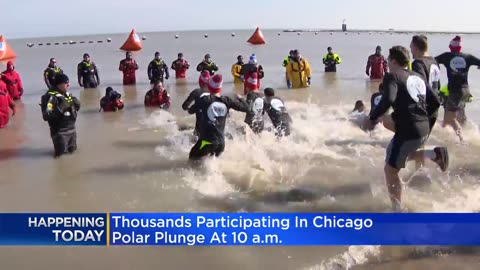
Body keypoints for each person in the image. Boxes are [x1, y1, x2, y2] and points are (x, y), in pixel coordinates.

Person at [363, 46, 448, 212]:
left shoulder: (392, 76)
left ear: (393, 61)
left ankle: (397, 211)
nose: (387, 63)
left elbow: (388, 99)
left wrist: (371, 118)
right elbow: (436, 101)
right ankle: (434, 154)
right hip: (422, 127)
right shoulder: (417, 76)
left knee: (390, 171)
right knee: (395, 151)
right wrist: (423, 120)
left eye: (388, 60)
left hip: (409, 130)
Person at [187, 74, 249, 160]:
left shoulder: (204, 100)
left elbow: (190, 110)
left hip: (206, 142)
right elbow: (247, 108)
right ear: (220, 88)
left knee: (192, 159)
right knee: (213, 162)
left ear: (209, 86)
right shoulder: (226, 101)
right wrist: (241, 98)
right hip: (221, 143)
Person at [435, 35, 480, 142]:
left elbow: (432, 61)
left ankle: (461, 140)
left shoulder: (447, 56)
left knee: (449, 117)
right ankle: (472, 135)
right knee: (460, 117)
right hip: (465, 91)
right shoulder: (467, 57)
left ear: (451, 47)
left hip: (454, 91)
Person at [40, 74, 81, 158]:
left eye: (68, 83)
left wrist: (77, 105)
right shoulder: (50, 97)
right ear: (59, 84)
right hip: (60, 133)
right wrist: (61, 108)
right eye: (66, 83)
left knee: (73, 155)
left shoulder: (67, 94)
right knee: (61, 157)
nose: (68, 85)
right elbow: (46, 116)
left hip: (72, 131)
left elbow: (75, 108)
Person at [410, 35, 441, 134]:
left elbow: (422, 85)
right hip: (434, 110)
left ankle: (437, 150)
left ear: (415, 47)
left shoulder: (417, 64)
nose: (411, 51)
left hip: (425, 109)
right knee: (420, 142)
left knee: (411, 143)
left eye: (411, 48)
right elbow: (438, 85)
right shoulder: (434, 61)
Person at [182, 71, 211, 136]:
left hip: (200, 126)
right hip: (215, 124)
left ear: (200, 81)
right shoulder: (214, 92)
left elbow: (184, 106)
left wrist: (190, 109)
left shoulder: (196, 92)